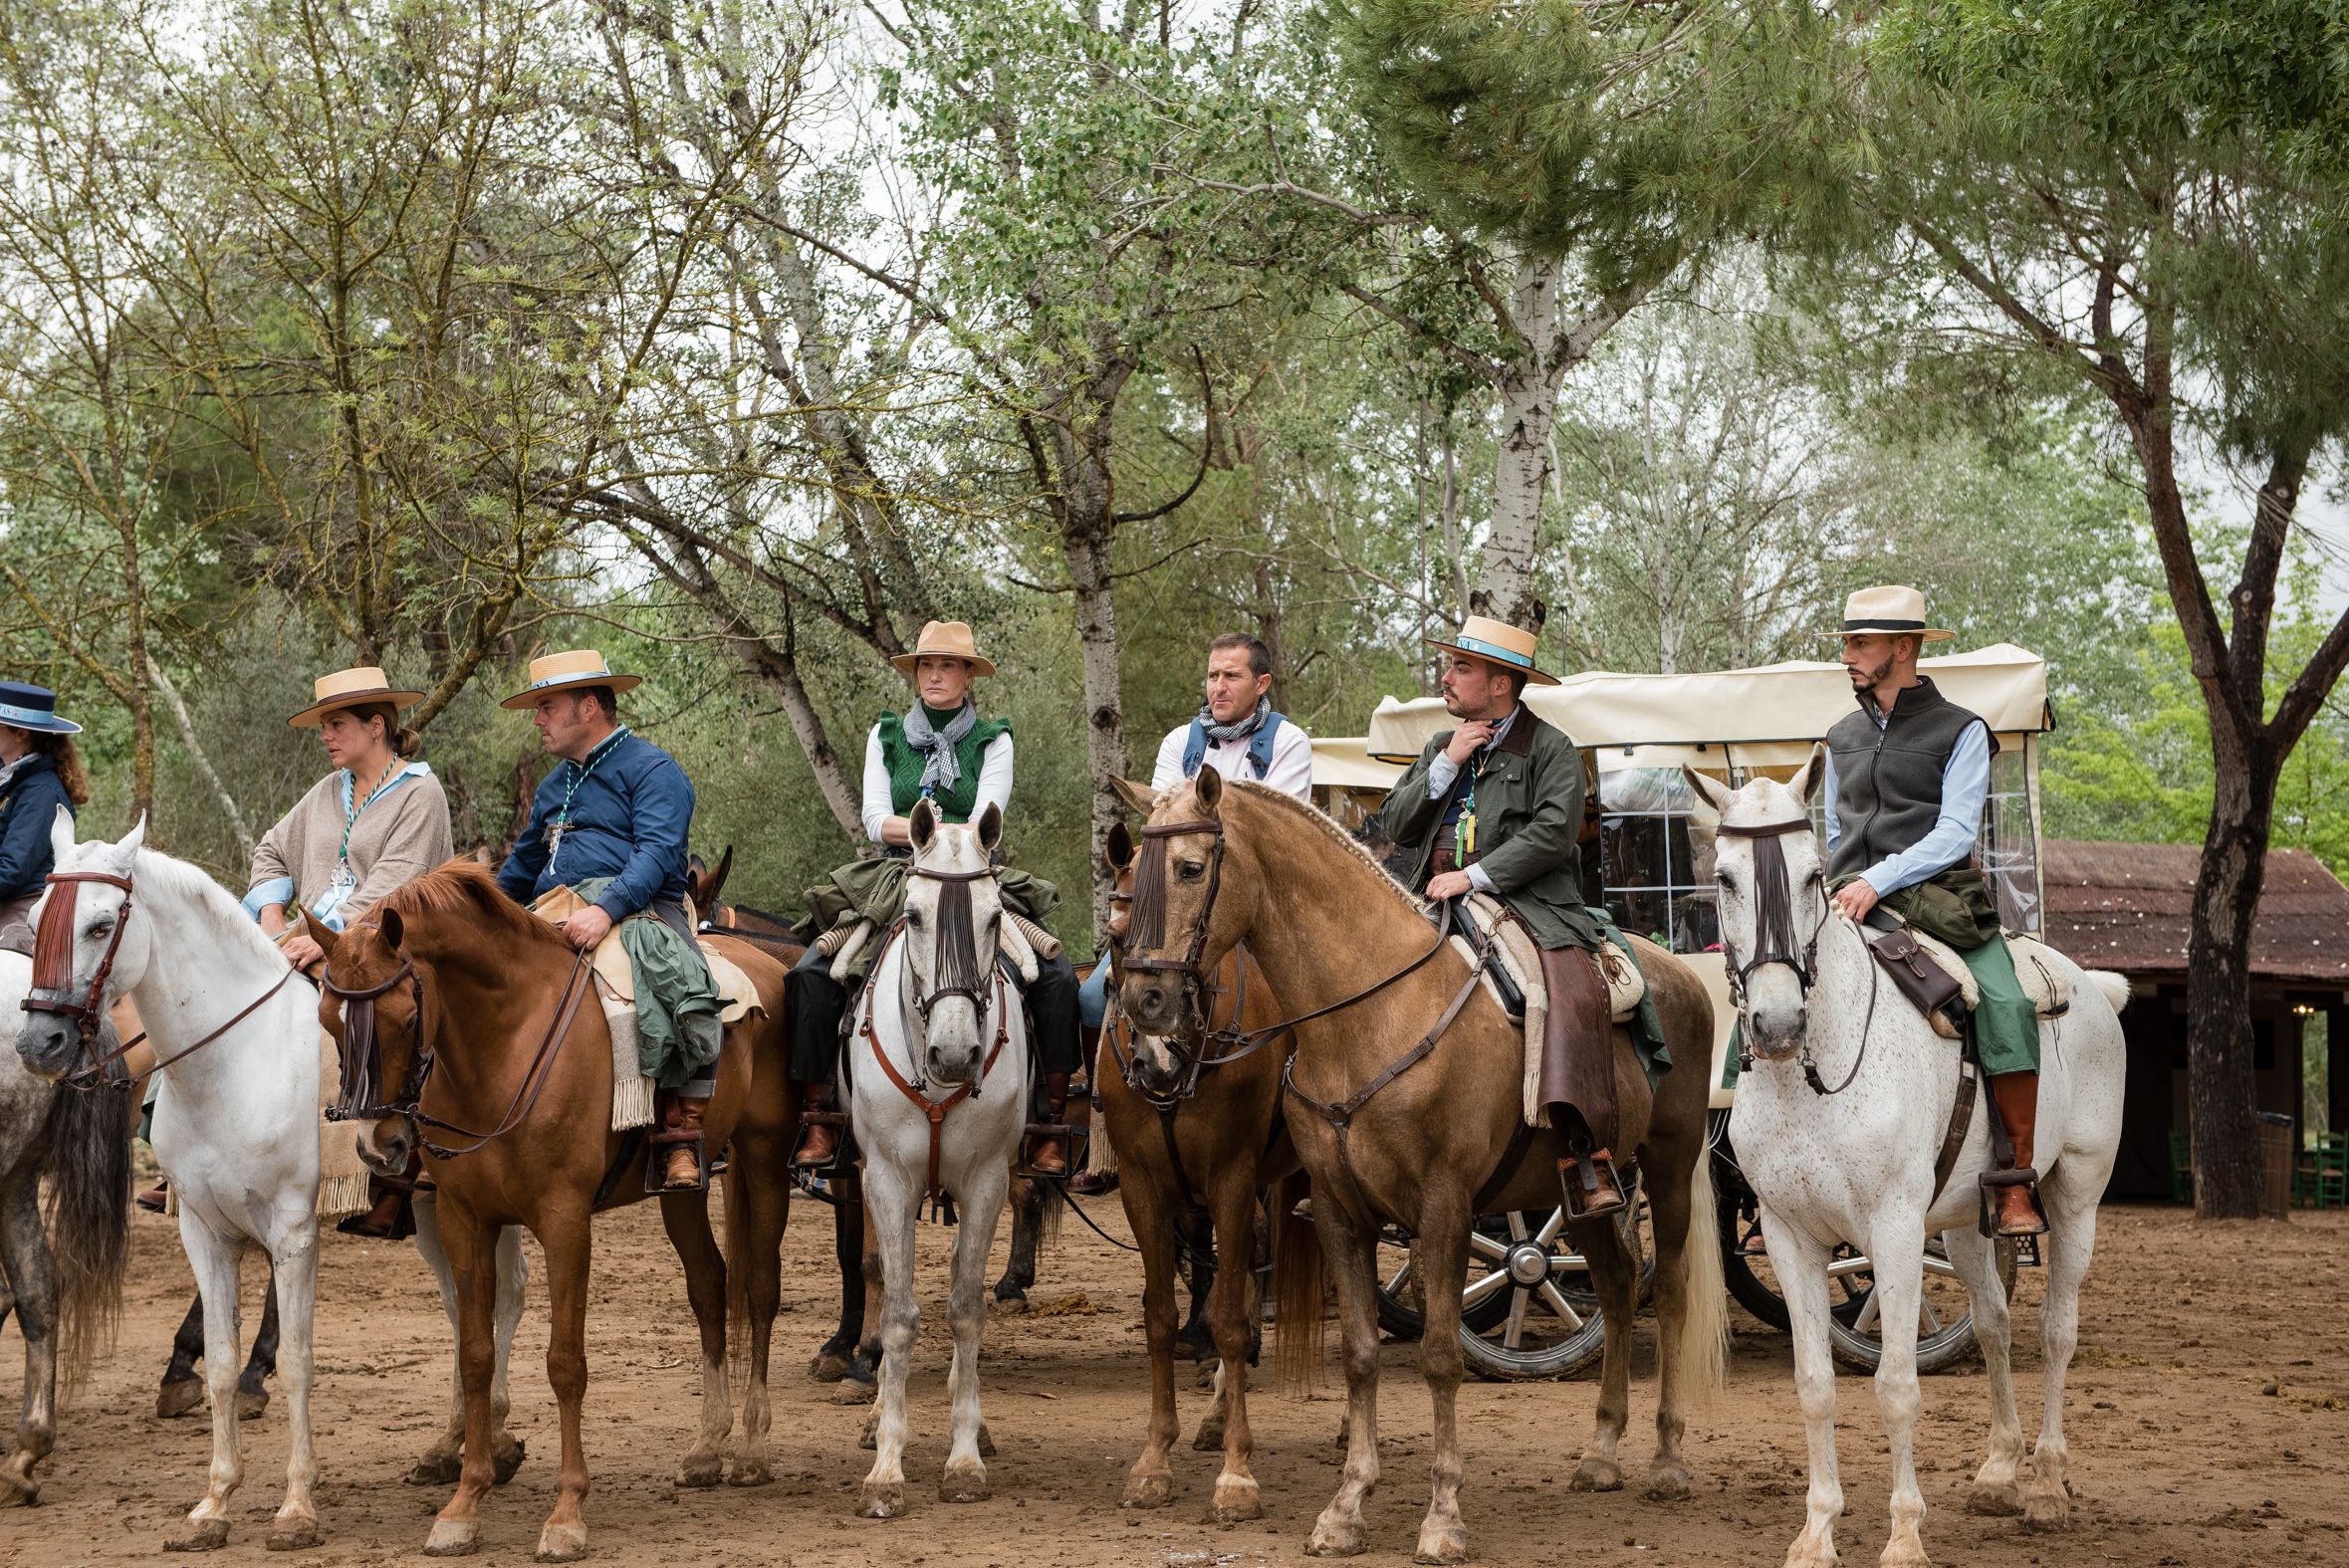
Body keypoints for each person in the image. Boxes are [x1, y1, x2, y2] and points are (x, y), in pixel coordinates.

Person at [788, 620, 1082, 1175]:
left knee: (1058, 978)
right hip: (899, 873)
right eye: (926, 665)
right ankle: (820, 1116)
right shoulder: (886, 736)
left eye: (948, 666)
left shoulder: (994, 739)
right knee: (811, 974)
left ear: (969, 676)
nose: (935, 675)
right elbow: (875, 820)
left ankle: (1049, 1122)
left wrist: (941, 833)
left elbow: (987, 818)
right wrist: (925, 834)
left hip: (974, 872)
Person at [1378, 614, 1629, 1220]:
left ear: (1500, 684)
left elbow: (1553, 834)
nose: (1446, 677)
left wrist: (1473, 877)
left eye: (1460, 667)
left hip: (1532, 905)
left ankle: (1583, 1152)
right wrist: (1446, 763)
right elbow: (1395, 824)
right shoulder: (1441, 746)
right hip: (1428, 899)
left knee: (1567, 989)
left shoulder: (1552, 748)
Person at [1822, 585, 2044, 1237]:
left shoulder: (1962, 730)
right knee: (1770, 983)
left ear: (1902, 648)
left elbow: (1954, 833)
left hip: (1941, 899)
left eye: (1859, 643)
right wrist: (1843, 883)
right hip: (1847, 898)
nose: (1846, 655)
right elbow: (1835, 832)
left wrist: (1876, 880)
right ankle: (1762, 1176)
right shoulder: (1839, 736)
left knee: (2006, 1003)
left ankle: (2014, 1180)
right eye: (1846, 642)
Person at [1071, 632, 1314, 1192]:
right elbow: (1161, 829)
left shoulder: (1288, 742)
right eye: (1212, 676)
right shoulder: (1181, 741)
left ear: (1262, 683)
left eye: (1231, 676)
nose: (1218, 686)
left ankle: (1309, 1130)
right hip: (1182, 905)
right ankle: (1106, 1130)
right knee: (1091, 997)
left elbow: (1279, 838)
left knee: (1309, 1010)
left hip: (1258, 913)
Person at [233, 666, 454, 1233]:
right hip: (306, 940)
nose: (326, 736)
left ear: (376, 726)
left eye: (337, 725)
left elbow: (394, 886)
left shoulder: (421, 793)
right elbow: (270, 850)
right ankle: (204, 1150)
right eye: (324, 727)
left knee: (353, 1019)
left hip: (384, 953)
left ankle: (372, 1177)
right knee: (223, 1000)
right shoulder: (326, 792)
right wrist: (273, 918)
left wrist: (320, 942)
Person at [496, 650, 722, 1191]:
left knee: (683, 984)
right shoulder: (554, 785)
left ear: (589, 707)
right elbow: (521, 867)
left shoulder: (653, 769)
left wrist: (606, 909)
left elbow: (657, 853)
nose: (537, 719)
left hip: (643, 908)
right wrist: (483, 913)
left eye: (547, 707)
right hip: (552, 911)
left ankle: (680, 1131)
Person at [0, 681, 90, 935]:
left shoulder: (41, 792)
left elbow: (11, 870)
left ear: (21, 735)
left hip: (22, 908)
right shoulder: (9, 775)